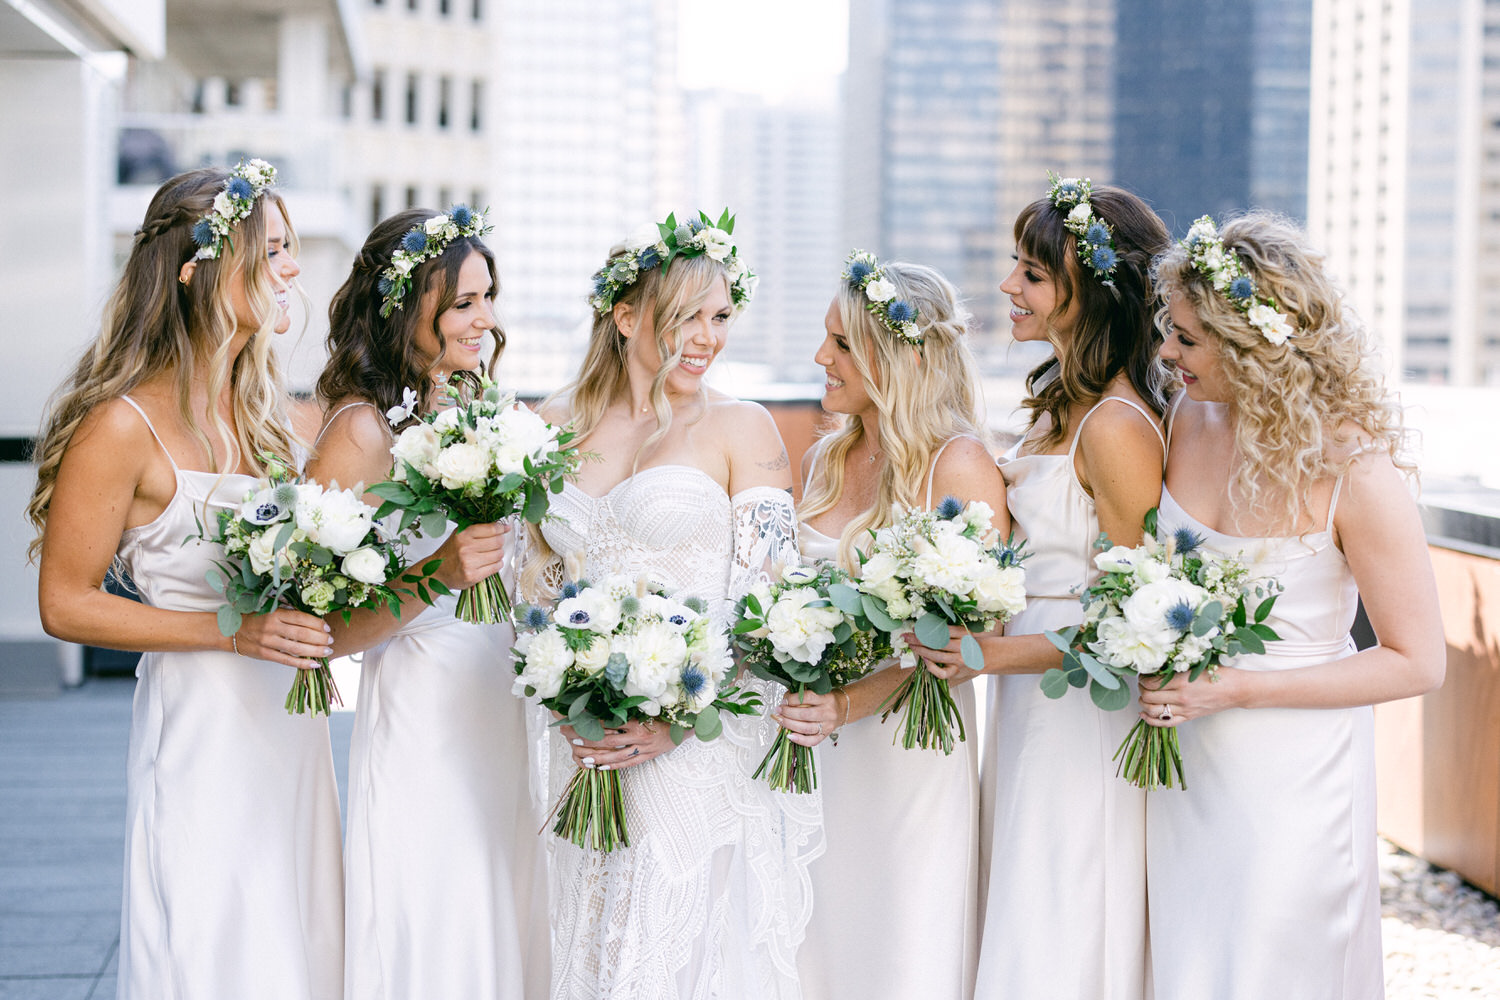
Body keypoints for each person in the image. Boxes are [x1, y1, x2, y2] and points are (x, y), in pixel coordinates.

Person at [29, 162, 343, 1000]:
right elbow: (63, 602)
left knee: (298, 937)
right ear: (200, 269)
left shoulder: (273, 422)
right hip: (203, 730)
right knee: (211, 937)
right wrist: (230, 633)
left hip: (290, 727)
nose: (292, 268)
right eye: (271, 248)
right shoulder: (119, 426)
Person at [518, 214, 821, 999]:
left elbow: (770, 607)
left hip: (693, 737)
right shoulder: (550, 426)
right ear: (626, 317)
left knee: (669, 949)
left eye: (720, 315)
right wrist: (566, 686)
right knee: (589, 936)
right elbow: (536, 590)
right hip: (585, 742)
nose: (707, 337)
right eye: (686, 314)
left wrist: (672, 720)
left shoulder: (741, 427)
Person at [1142, 212, 1444, 999]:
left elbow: (1419, 661)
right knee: (1188, 962)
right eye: (1166, 332)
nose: (1166, 354)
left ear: (1251, 346)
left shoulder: (1356, 473)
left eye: (1185, 339)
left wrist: (1240, 687)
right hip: (1181, 766)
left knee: (1277, 963)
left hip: (1294, 772)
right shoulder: (1184, 417)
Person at [912, 176, 1169, 1000]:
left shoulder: (1119, 426)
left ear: (1085, 292)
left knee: (1065, 904)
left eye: (1030, 273)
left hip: (1080, 712)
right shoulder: (1057, 406)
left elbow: (1138, 625)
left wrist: (989, 652)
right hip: (1030, 699)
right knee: (1025, 892)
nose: (1007, 286)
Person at [306, 206, 547, 1000]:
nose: (485, 320)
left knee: (504, 896)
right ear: (407, 310)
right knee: (441, 906)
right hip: (425, 707)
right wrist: (440, 573)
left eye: (488, 298)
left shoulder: (480, 413)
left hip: (500, 693)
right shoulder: (360, 431)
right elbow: (324, 626)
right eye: (462, 304)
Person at [768, 252, 1004, 1000]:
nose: (821, 358)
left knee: (898, 939)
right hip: (812, 746)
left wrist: (847, 703)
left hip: (906, 751)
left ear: (892, 355)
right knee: (813, 941)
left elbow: (969, 644)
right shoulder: (831, 458)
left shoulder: (959, 465)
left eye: (840, 343)